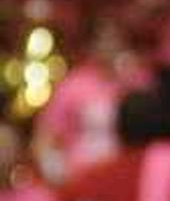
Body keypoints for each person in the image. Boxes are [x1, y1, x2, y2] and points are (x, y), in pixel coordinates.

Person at [32, 14, 149, 186]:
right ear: (90, 46)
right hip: (83, 176)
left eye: (115, 39)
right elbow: (44, 138)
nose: (110, 46)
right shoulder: (73, 85)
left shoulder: (136, 80)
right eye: (103, 40)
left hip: (126, 177)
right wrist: (57, 174)